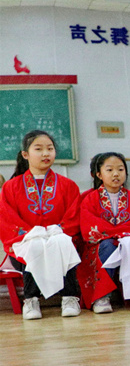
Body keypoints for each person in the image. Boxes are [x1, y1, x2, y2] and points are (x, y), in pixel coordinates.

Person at [0, 130, 82, 319]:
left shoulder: (68, 185)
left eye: (50, 149)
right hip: (24, 243)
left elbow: (73, 217)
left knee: (62, 242)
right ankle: (31, 300)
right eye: (39, 149)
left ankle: (69, 297)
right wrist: (31, 234)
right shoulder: (11, 187)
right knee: (34, 244)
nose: (46, 153)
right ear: (25, 154)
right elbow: (7, 220)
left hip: (59, 240)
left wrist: (57, 231)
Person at [77, 152, 130, 313]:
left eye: (120, 169)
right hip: (99, 246)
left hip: (127, 242)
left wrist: (119, 235)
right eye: (110, 170)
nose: (116, 174)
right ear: (99, 174)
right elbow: (89, 228)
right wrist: (118, 234)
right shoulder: (89, 199)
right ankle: (102, 296)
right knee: (107, 245)